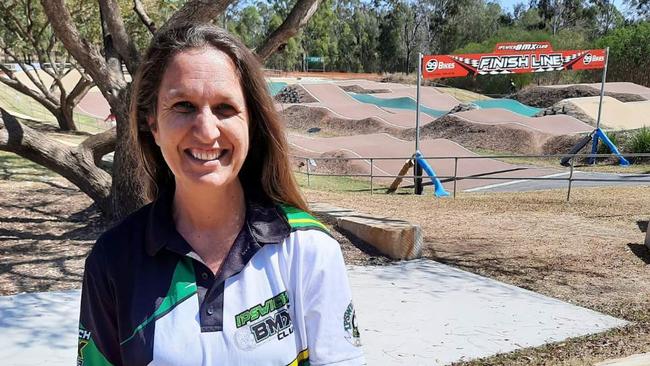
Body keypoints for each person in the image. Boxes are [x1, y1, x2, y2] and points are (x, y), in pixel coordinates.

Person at [77, 23, 364, 366]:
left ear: (251, 123)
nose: (206, 130)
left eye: (225, 108)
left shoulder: (308, 249)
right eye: (183, 105)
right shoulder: (112, 260)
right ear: (152, 124)